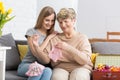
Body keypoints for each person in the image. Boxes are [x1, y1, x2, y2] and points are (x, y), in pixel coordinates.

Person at [32, 8, 93, 80]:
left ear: (73, 21)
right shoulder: (55, 38)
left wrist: (67, 48)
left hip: (81, 67)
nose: (63, 25)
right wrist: (37, 47)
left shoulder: (82, 38)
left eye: (66, 21)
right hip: (60, 68)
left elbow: (84, 60)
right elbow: (46, 60)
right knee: (57, 78)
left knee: (78, 77)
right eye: (60, 22)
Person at [17, 6, 56, 80]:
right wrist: (48, 38)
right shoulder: (31, 32)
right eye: (47, 20)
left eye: (52, 20)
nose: (50, 23)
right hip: (26, 65)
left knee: (48, 71)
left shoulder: (53, 35)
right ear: (41, 19)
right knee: (38, 68)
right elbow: (36, 53)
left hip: (42, 67)